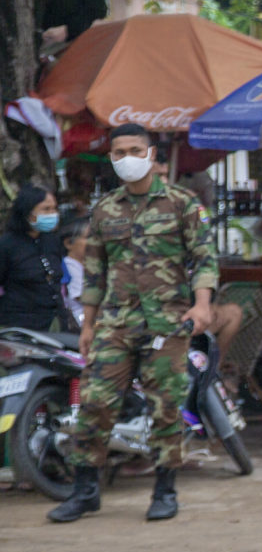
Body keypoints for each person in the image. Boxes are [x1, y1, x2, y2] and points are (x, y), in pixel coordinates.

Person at [50, 124, 219, 524]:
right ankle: (85, 491)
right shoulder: (105, 209)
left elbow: (204, 258)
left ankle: (164, 491)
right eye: (119, 151)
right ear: (111, 158)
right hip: (114, 324)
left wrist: (202, 305)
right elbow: (95, 272)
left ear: (151, 155)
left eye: (135, 150)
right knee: (94, 404)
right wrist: (88, 326)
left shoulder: (182, 203)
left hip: (167, 323)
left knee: (165, 407)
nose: (127, 158)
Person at [0, 185, 68, 331]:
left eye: (54, 208)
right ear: (27, 212)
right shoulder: (7, 245)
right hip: (20, 325)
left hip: (55, 321)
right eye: (46, 209)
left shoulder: (52, 240)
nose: (52, 214)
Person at [59, 218, 86, 328]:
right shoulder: (69, 265)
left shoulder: (87, 265)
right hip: (79, 321)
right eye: (88, 237)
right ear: (68, 243)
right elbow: (80, 296)